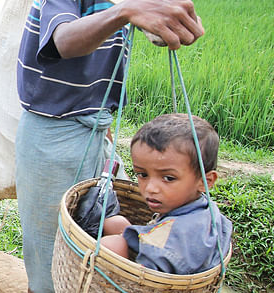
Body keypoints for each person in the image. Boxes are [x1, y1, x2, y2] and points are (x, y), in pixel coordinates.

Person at [13, 0, 205, 293]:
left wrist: (129, 9)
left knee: (98, 233)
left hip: (96, 138)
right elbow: (61, 39)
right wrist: (127, 12)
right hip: (52, 139)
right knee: (48, 256)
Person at [99, 114, 232, 274]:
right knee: (116, 222)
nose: (151, 188)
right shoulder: (205, 210)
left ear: (205, 181)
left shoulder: (178, 234)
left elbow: (150, 281)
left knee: (111, 245)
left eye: (168, 178)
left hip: (154, 287)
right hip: (165, 256)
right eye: (142, 175)